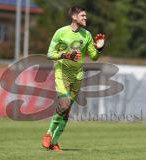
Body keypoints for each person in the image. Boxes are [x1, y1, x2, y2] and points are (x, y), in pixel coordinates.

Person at [42, 6, 105, 152]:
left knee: (67, 110)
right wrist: (65, 55)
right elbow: (50, 54)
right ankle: (48, 134)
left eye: (85, 16)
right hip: (62, 74)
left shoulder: (87, 35)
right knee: (64, 105)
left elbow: (94, 57)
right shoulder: (60, 32)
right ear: (74, 17)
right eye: (82, 15)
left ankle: (55, 142)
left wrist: (100, 48)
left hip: (77, 76)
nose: (85, 18)